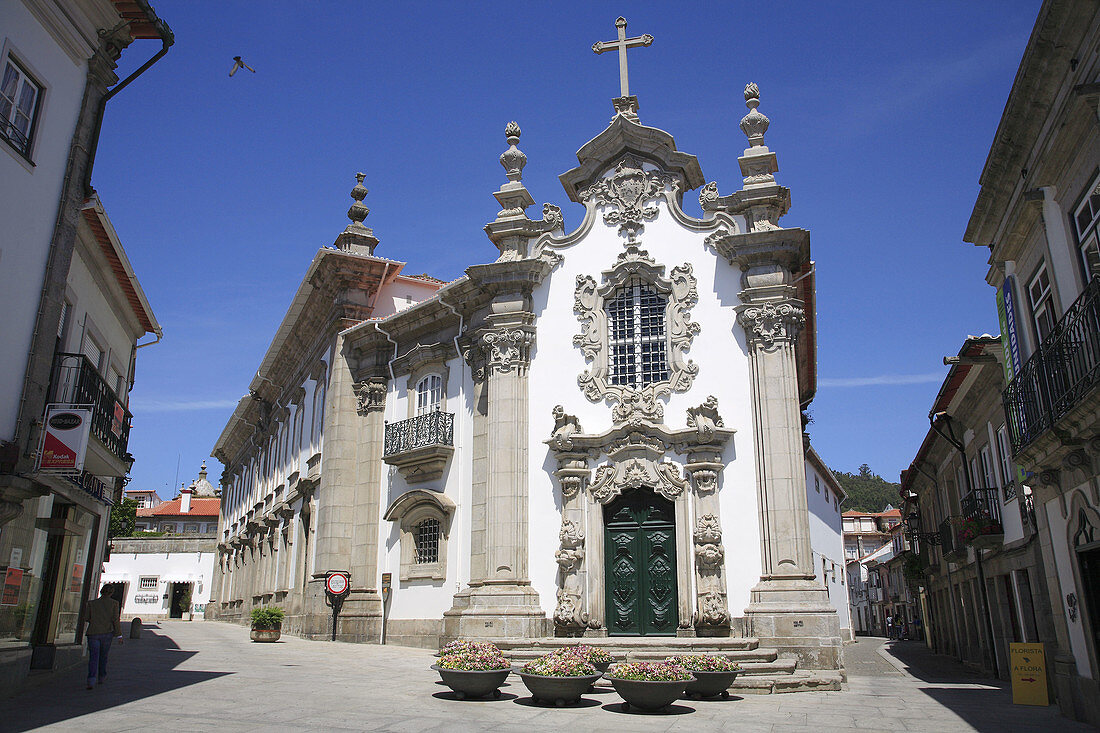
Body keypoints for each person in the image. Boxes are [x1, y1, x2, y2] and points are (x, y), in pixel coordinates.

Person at [84, 585, 123, 689]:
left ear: (101, 591)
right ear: (111, 593)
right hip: (107, 632)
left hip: (93, 632)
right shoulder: (114, 604)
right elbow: (116, 620)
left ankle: (91, 680)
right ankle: (101, 676)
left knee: (93, 657)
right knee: (103, 656)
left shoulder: (91, 604)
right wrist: (119, 635)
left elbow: (87, 618)